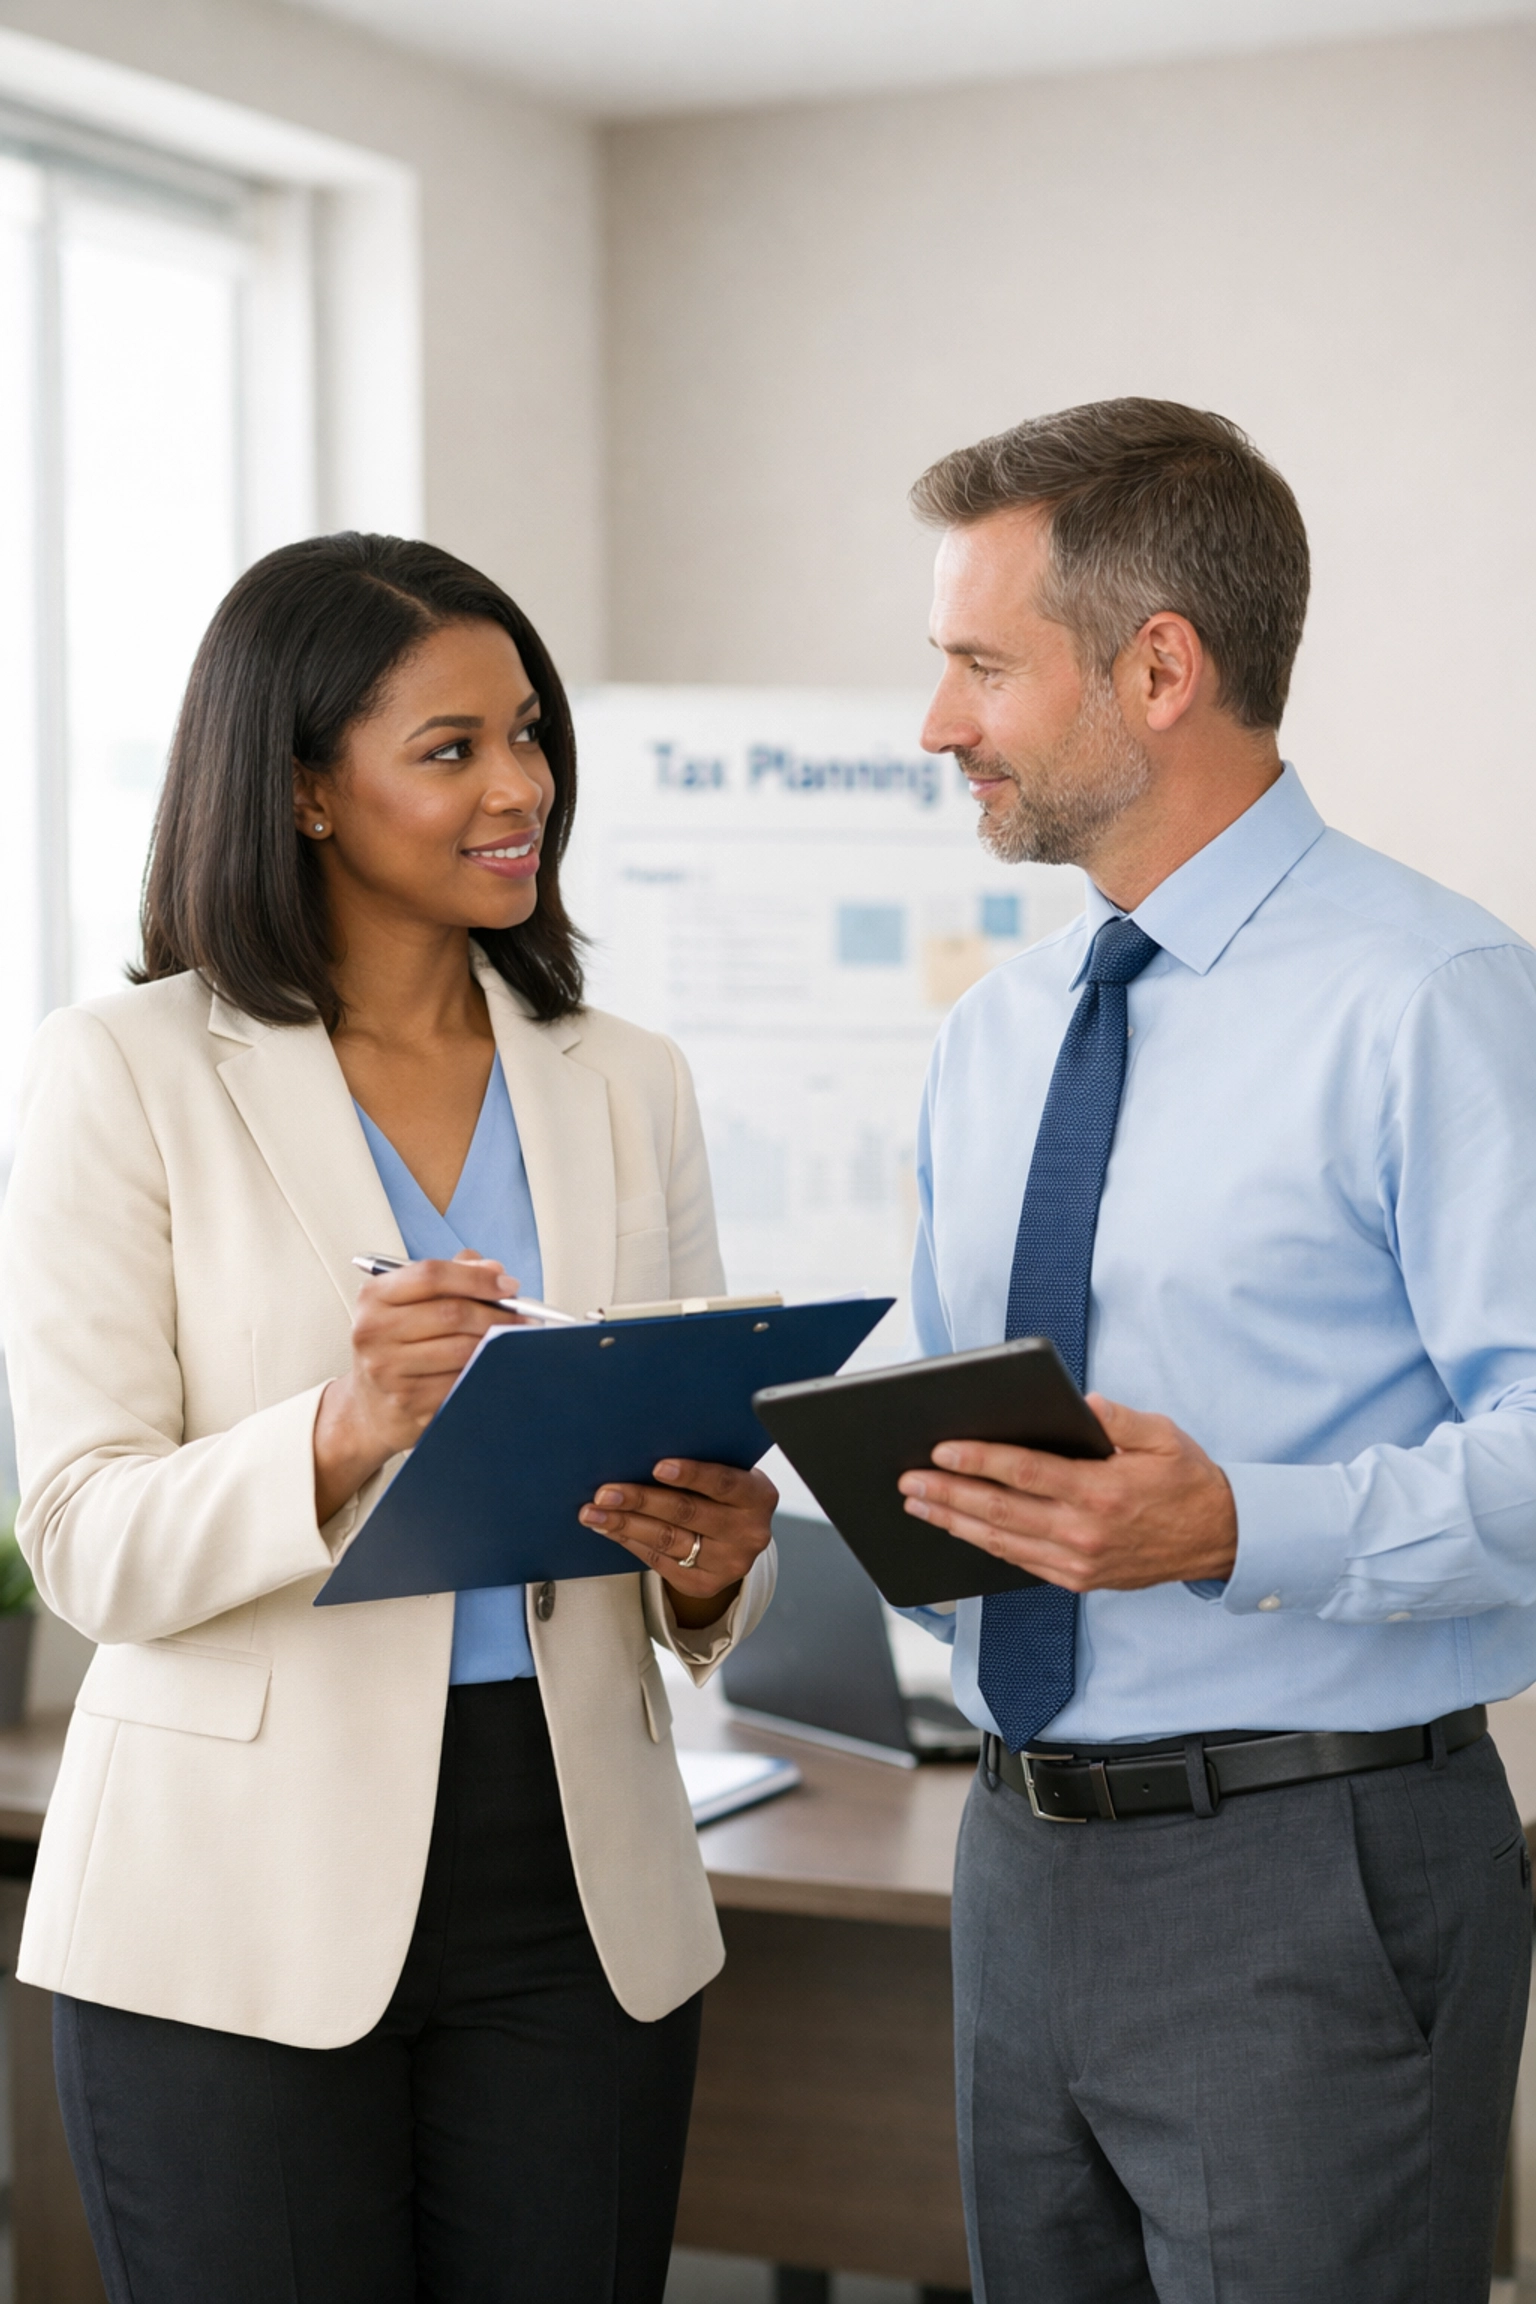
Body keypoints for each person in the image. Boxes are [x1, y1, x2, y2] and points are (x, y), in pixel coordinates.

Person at [0, 533, 777, 2303]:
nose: (521, 788)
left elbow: (684, 1485)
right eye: (451, 750)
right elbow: (80, 1537)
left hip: (576, 1883)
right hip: (233, 1904)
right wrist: (341, 1429)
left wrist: (715, 1568)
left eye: (528, 734)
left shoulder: (628, 1078)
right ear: (302, 791)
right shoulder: (122, 1072)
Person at [895, 400, 1536, 2304]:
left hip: (1312, 1869)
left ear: (1160, 667)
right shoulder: (996, 1034)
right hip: (1013, 1864)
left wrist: (1237, 1525)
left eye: (980, 665)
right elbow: (951, 1433)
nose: (938, 726)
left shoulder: (1435, 999)